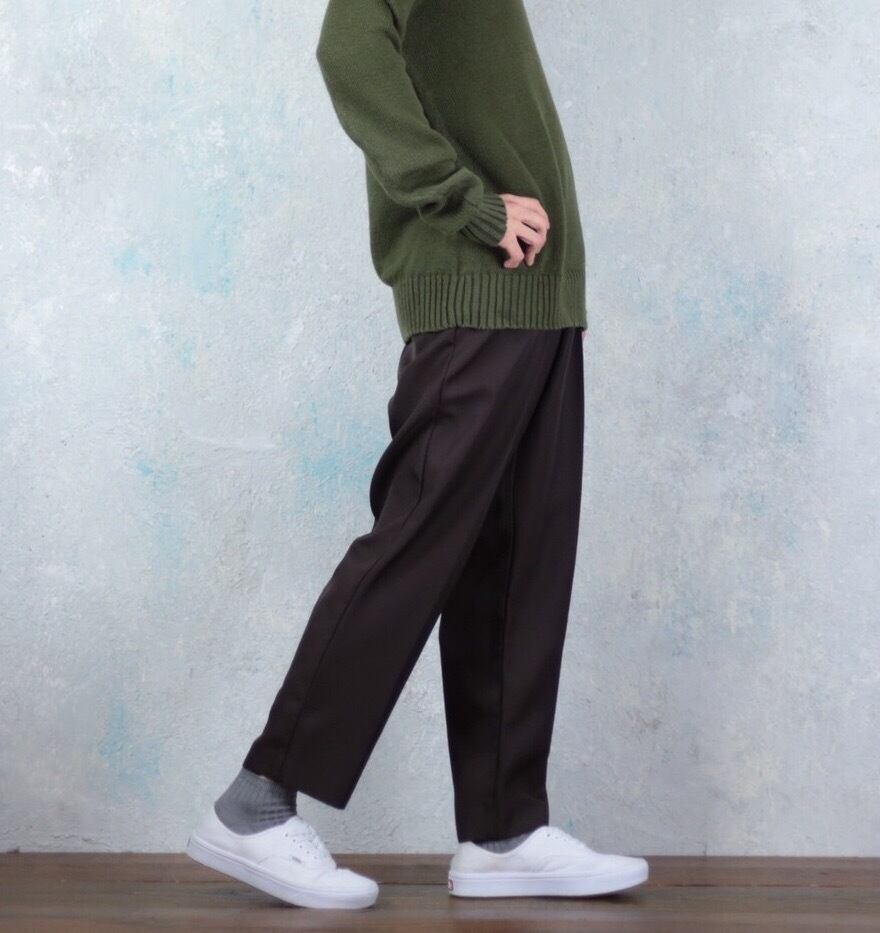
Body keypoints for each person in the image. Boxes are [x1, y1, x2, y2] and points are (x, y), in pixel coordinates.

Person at [186, 0, 648, 910]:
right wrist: (462, 200)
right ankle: (258, 799)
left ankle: (504, 831)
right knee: (415, 542)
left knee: (517, 558)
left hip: (536, 297)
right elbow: (348, 47)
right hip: (473, 284)